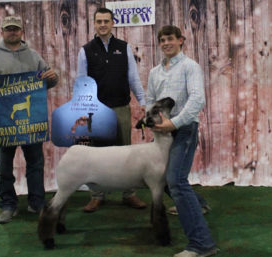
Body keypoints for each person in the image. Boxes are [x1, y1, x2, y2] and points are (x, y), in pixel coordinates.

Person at [0, 16, 59, 224]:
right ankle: (8, 204)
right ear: (2, 32)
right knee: (4, 166)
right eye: (8, 29)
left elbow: (49, 82)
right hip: (4, 123)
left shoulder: (34, 56)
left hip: (32, 123)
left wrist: (52, 76)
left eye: (16, 29)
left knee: (35, 164)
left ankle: (36, 202)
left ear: (22, 32)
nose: (12, 32)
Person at [146, 25, 218, 257]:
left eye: (170, 39)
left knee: (175, 181)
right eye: (162, 40)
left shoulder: (190, 67)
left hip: (184, 129)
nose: (166, 43)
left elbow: (197, 100)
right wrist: (153, 122)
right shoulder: (155, 72)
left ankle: (201, 244)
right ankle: (199, 204)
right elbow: (150, 100)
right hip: (163, 133)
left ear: (181, 40)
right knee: (165, 178)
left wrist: (174, 123)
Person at [77, 7, 147, 212]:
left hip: (121, 108)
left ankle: (129, 194)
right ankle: (97, 195)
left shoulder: (124, 47)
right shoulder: (86, 50)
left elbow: (133, 78)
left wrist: (143, 101)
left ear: (112, 23)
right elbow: (82, 81)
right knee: (96, 155)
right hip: (96, 111)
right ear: (94, 23)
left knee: (126, 154)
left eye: (106, 21)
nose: (103, 25)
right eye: (99, 21)